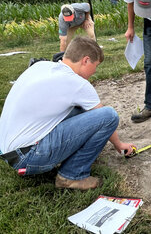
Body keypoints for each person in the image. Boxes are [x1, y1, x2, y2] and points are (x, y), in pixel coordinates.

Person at [0, 37, 136, 190]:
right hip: (28, 157)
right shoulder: (77, 84)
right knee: (109, 116)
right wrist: (119, 145)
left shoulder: (42, 66)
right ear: (85, 60)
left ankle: (67, 161)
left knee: (81, 109)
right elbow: (103, 117)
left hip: (8, 150)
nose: (95, 71)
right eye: (96, 65)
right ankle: (72, 176)